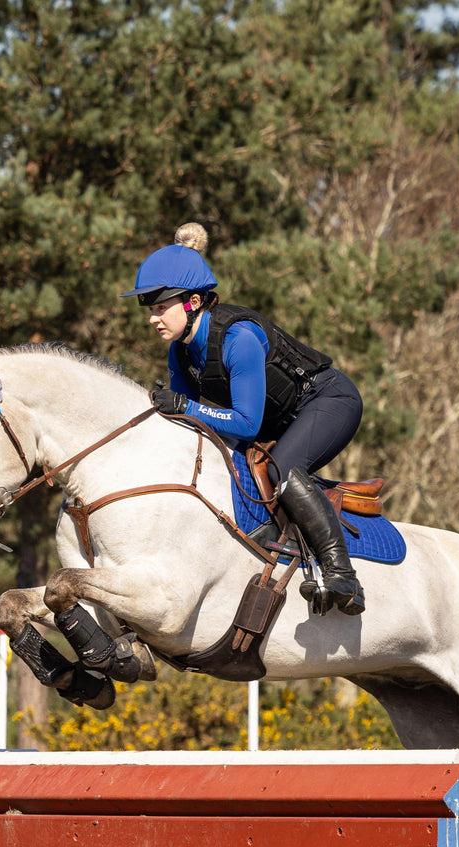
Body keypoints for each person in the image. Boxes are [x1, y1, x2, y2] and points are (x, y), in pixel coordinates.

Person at [122, 224, 366, 616]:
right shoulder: (179, 353)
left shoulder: (239, 339)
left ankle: (343, 575)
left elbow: (245, 424)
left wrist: (185, 407)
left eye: (159, 307)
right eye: (149, 309)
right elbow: (192, 423)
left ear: (193, 302)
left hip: (328, 400)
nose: (153, 319)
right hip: (279, 419)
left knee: (282, 468)